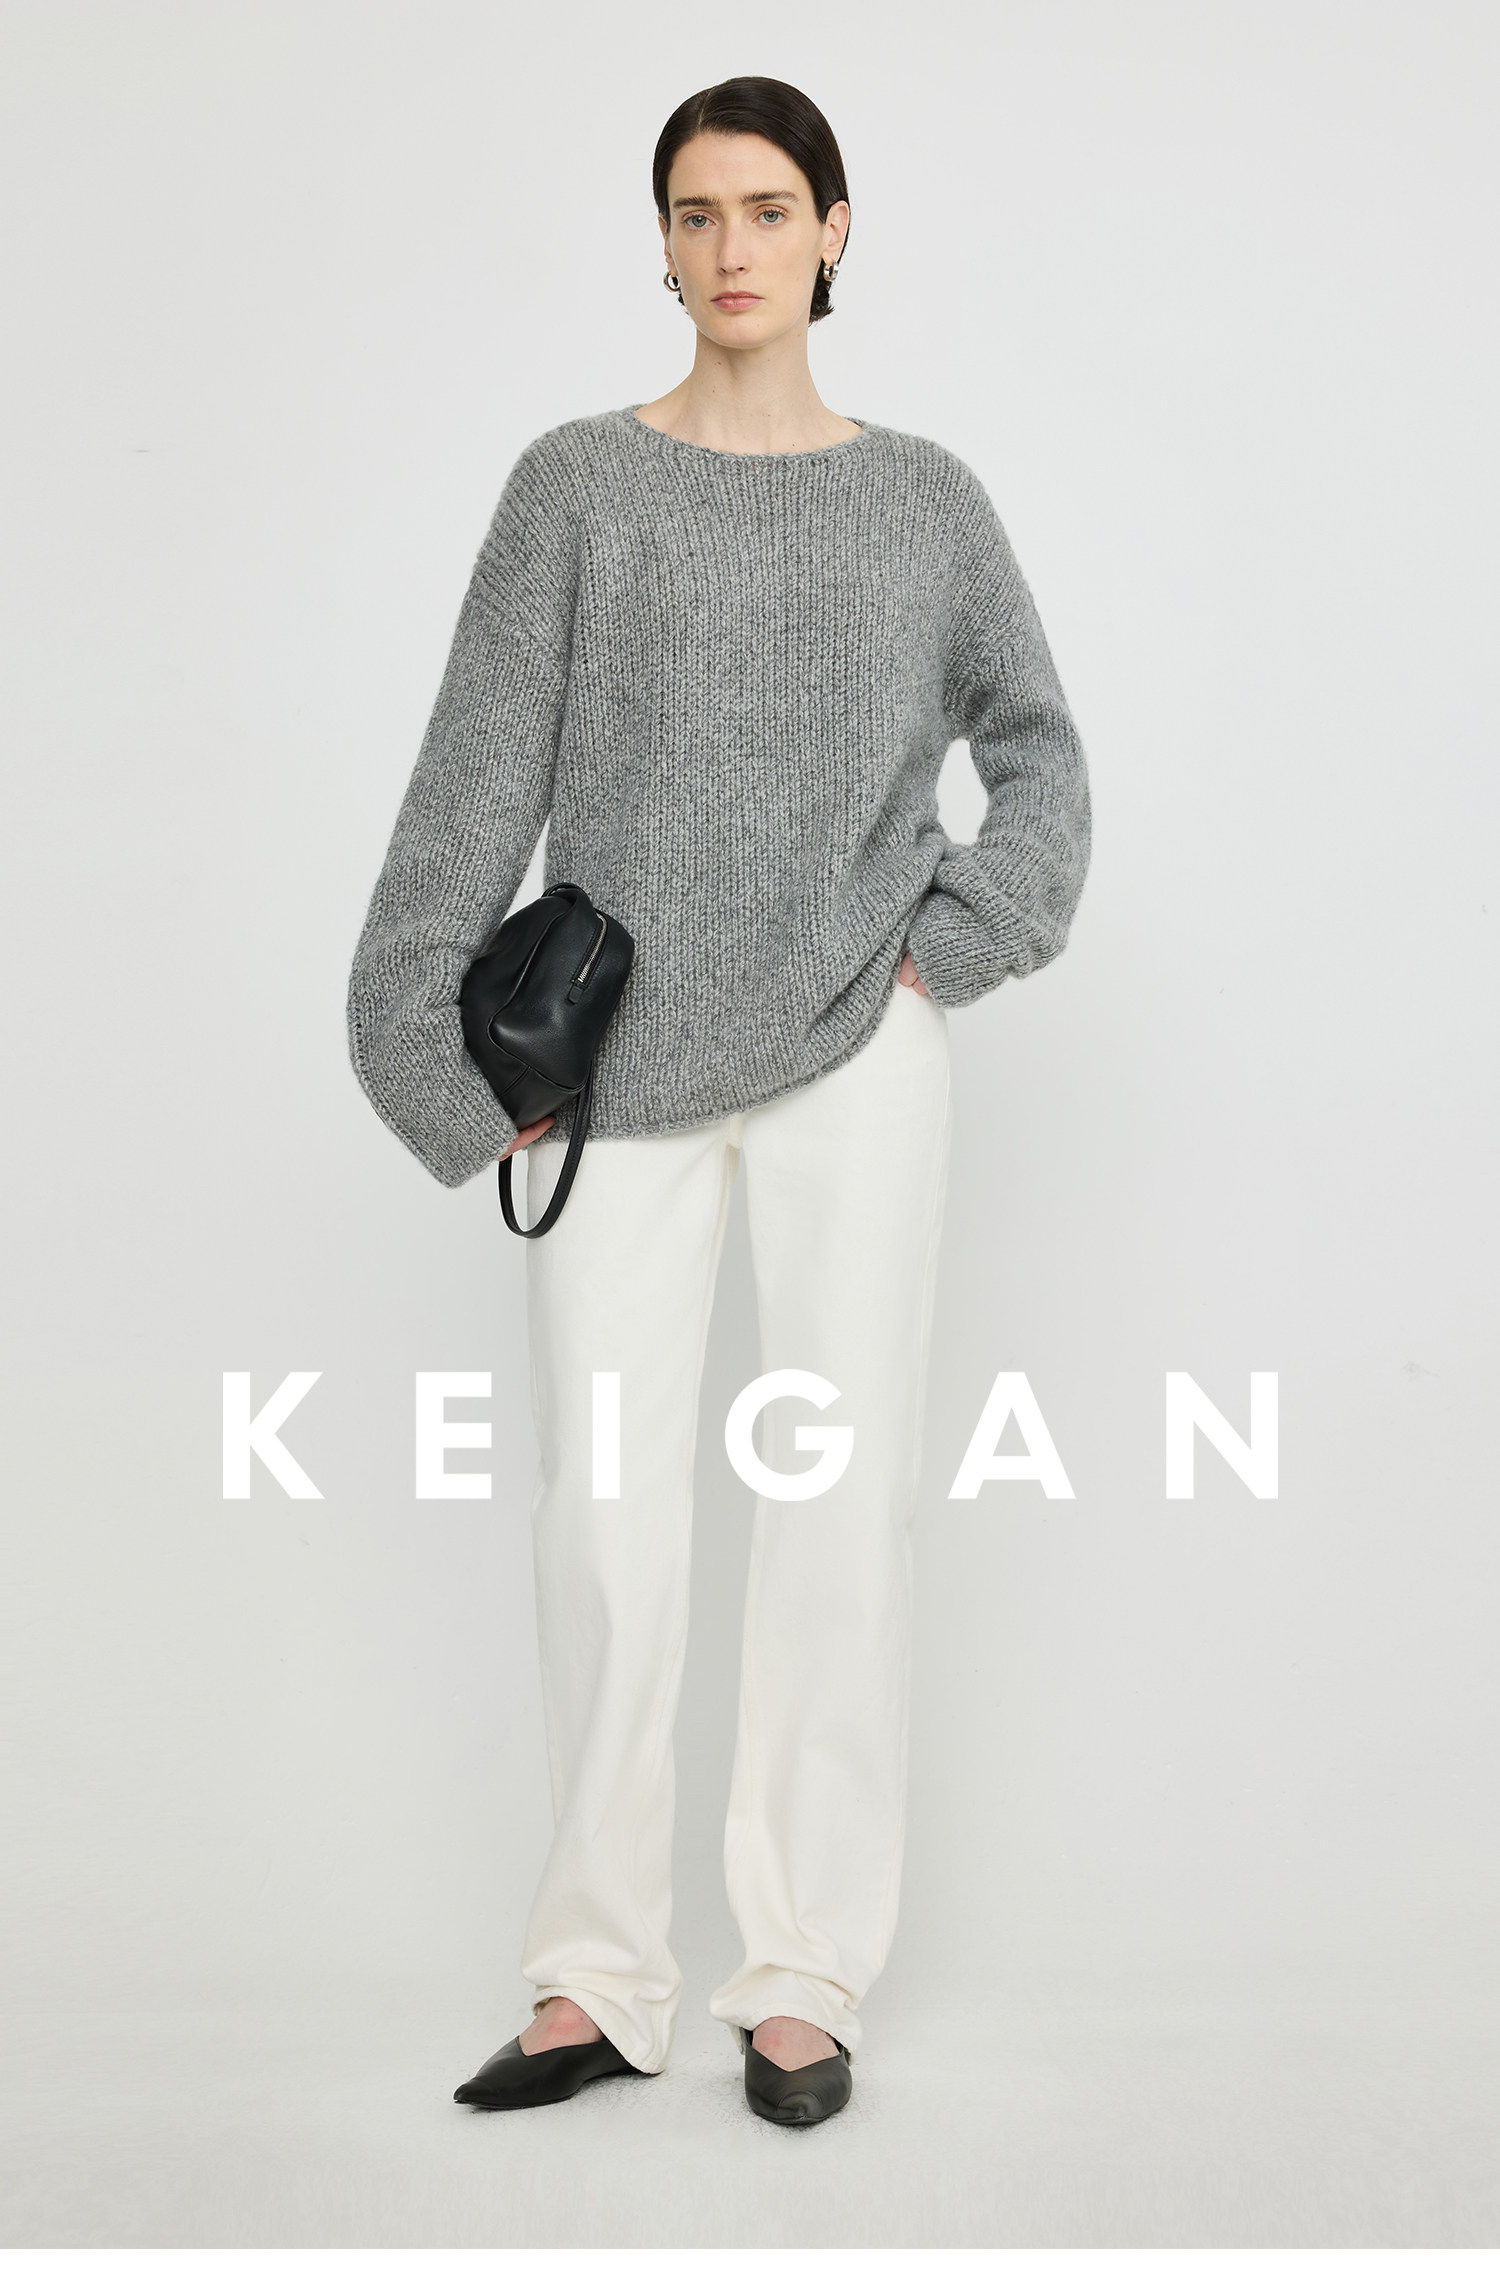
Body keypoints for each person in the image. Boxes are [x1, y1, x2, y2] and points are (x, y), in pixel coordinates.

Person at [346, 74, 1091, 2128]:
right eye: (696, 213)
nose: (732, 247)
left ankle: (803, 1970)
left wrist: (957, 937)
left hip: (864, 1039)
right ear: (662, 243)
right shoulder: (576, 486)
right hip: (614, 1071)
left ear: (837, 232)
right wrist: (430, 1052)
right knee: (602, 1513)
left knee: (840, 1501)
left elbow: (1039, 749)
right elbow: (474, 779)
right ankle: (596, 1973)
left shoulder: (925, 501)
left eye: (769, 209)